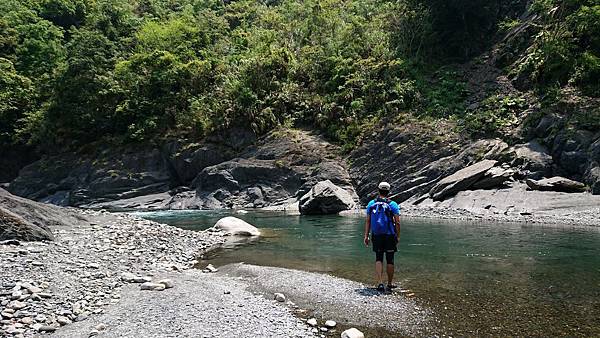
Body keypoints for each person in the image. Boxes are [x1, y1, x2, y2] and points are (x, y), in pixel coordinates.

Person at [363, 181, 401, 292]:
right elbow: (397, 222)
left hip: (377, 235)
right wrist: (397, 236)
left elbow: (368, 221)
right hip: (389, 235)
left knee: (378, 258)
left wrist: (366, 235)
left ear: (378, 190)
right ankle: (389, 283)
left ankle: (380, 283)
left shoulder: (371, 203)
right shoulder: (392, 204)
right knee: (390, 259)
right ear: (388, 191)